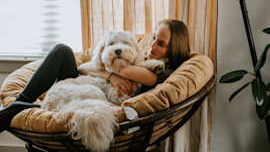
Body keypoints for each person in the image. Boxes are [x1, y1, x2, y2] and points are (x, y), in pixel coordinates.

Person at [0, 19, 190, 133]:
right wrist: (110, 77)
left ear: (174, 49)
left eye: (161, 44)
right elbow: (83, 67)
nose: (152, 45)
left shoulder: (162, 72)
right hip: (89, 87)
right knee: (62, 51)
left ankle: (16, 107)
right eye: (153, 37)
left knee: (14, 111)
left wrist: (115, 73)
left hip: (100, 103)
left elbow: (124, 71)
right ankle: (20, 101)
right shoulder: (136, 56)